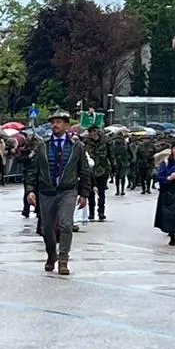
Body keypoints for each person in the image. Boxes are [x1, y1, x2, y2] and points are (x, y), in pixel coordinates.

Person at [27, 109, 90, 276]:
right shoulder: (42, 146)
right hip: (47, 192)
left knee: (66, 225)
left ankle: (63, 260)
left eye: (59, 122)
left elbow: (83, 170)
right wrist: (30, 190)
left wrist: (84, 193)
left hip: (68, 191)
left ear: (66, 125)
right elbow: (33, 170)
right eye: (53, 122)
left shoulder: (76, 147)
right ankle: (51, 254)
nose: (55, 125)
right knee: (46, 228)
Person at [83, 129, 109, 222]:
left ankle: (101, 212)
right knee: (90, 193)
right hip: (90, 171)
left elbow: (110, 155)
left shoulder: (105, 142)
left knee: (101, 193)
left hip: (102, 170)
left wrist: (113, 168)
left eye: (93, 131)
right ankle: (91, 213)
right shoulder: (85, 143)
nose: (92, 133)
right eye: (90, 131)